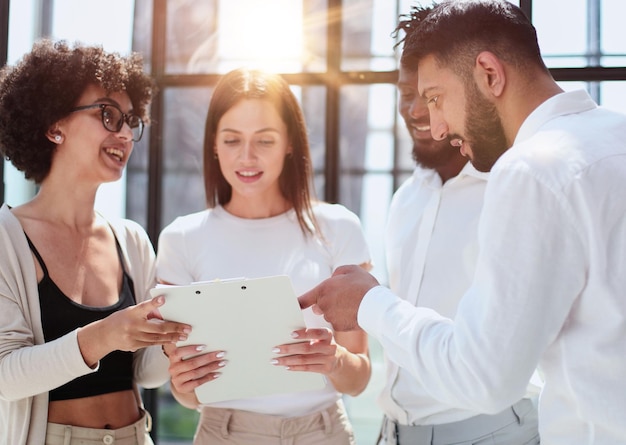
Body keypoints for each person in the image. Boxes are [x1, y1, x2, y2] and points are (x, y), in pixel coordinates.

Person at [299, 1, 626, 443]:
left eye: (435, 97)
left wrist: (369, 303)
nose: (434, 126)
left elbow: (484, 377)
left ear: (489, 74)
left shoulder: (530, 169)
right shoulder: (615, 136)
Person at [156, 68, 372, 445]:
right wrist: (183, 383)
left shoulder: (339, 228)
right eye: (232, 139)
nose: (247, 157)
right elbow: (186, 394)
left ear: (290, 142)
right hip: (224, 433)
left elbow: (359, 379)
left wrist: (335, 360)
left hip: (321, 433)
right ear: (214, 144)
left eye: (265, 140)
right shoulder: (181, 239)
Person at [0, 39, 191, 445]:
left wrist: (178, 334)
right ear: (54, 126)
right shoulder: (6, 239)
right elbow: (6, 376)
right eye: (108, 115)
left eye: (129, 120)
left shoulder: (131, 240)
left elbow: (146, 374)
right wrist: (104, 335)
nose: (124, 133)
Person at [374, 5, 539, 445]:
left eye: (431, 96)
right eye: (405, 93)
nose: (414, 110)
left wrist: (368, 303)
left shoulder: (512, 187)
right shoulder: (407, 198)